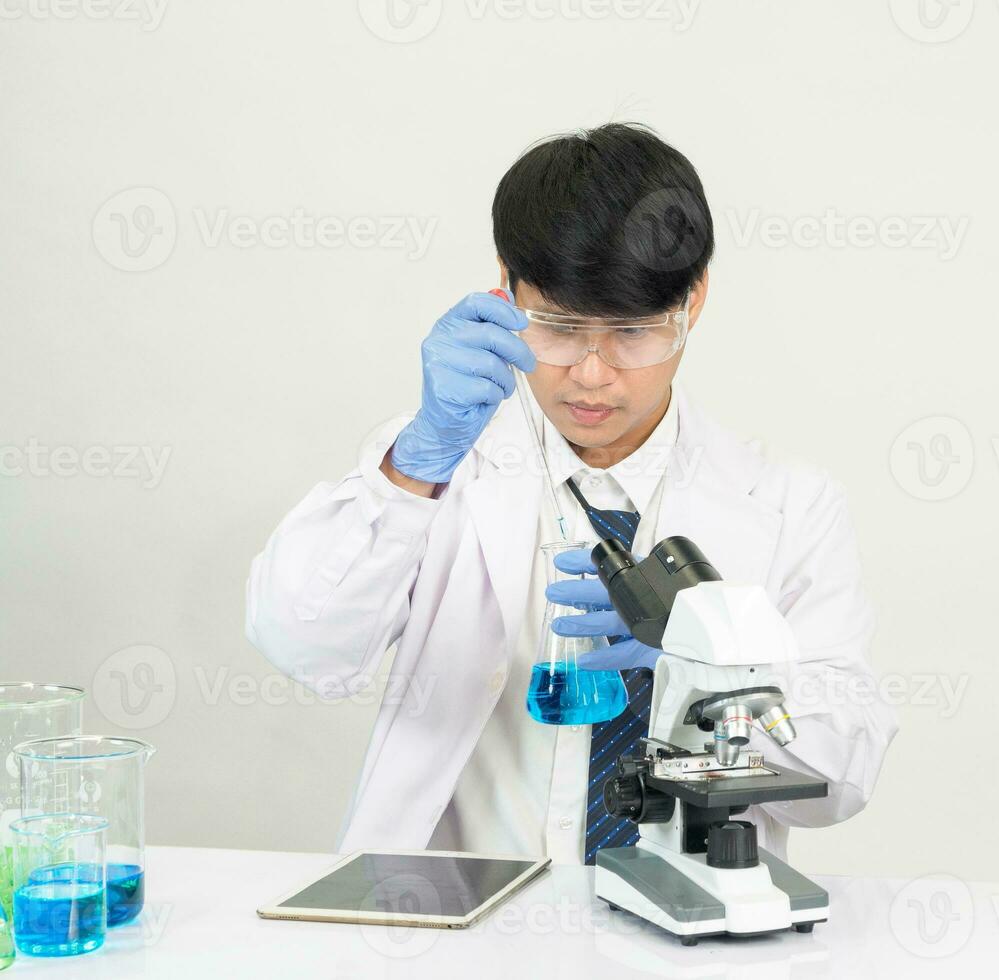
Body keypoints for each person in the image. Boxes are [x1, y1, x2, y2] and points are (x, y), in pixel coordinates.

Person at [246, 123, 897, 865]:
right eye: (555, 326)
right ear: (506, 287)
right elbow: (300, 641)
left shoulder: (790, 505)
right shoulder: (437, 468)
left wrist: (709, 667)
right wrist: (416, 464)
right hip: (460, 926)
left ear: (695, 298)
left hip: (684, 933)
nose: (590, 373)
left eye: (630, 332)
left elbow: (845, 776)